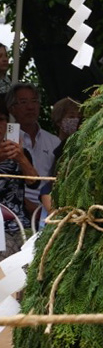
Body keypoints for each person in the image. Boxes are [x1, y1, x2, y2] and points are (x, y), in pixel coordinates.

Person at [7, 83, 59, 208]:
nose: (30, 107)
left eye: (34, 101)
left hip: (48, 206)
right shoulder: (6, 140)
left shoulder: (54, 141)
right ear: (11, 108)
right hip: (14, 206)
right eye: (23, 102)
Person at [0, 107, 39, 259]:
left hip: (21, 223)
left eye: (2, 120)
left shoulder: (19, 151)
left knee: (35, 253)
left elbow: (34, 183)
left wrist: (21, 158)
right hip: (1, 228)